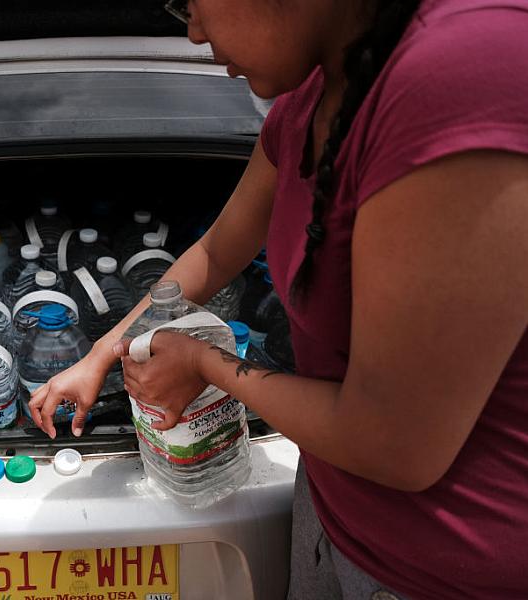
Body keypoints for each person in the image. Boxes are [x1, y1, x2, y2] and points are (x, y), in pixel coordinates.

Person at [28, 0, 528, 598]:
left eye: (192, 4)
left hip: (444, 570)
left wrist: (204, 362)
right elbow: (218, 251)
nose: (194, 35)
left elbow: (397, 447)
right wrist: (102, 354)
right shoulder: (314, 95)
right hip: (334, 515)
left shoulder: (465, 78)